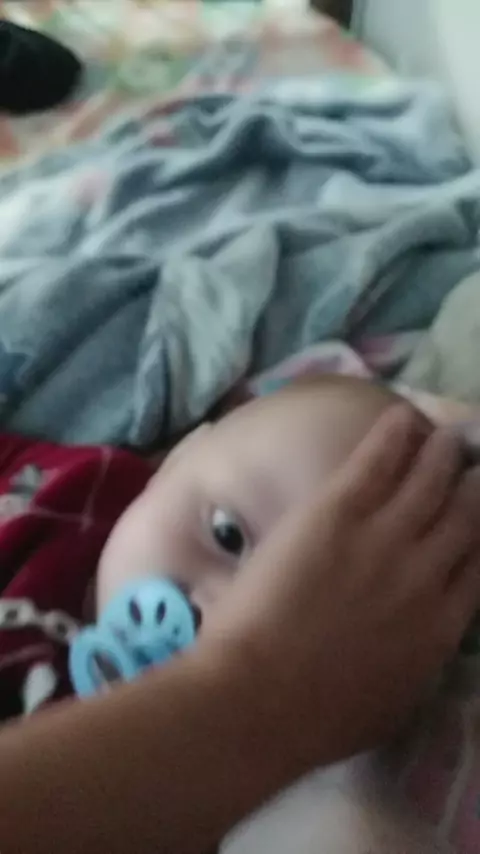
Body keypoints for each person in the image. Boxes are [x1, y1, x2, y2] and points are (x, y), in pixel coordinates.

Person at [0, 381, 478, 853]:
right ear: (176, 457)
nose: (226, 616)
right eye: (227, 535)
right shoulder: (70, 487)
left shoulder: (220, 816)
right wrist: (250, 679)